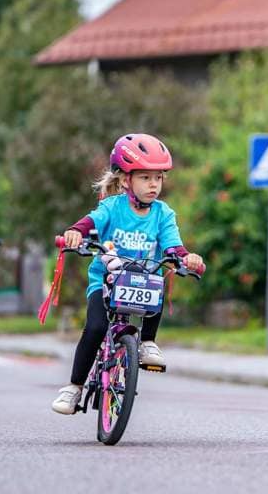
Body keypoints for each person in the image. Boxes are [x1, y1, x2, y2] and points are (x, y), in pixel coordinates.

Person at [51, 133, 204, 415]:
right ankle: (74, 388)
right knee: (95, 328)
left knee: (156, 281)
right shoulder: (113, 206)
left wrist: (187, 258)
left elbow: (173, 246)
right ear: (125, 180)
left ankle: (147, 342)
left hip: (143, 280)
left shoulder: (163, 214)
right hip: (106, 280)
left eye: (158, 178)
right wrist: (75, 232)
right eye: (145, 177)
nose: (153, 185)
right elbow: (90, 222)